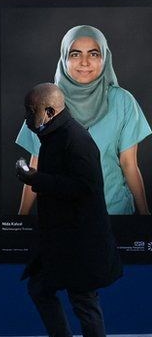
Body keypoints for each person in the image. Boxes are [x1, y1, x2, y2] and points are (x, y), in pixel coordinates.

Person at [16, 83, 122, 337]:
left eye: (30, 112)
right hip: (60, 239)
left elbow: (85, 188)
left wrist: (37, 179)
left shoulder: (75, 139)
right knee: (40, 288)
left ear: (49, 111)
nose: (26, 119)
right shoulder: (53, 136)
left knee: (85, 302)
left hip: (81, 240)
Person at [17, 25, 150, 215]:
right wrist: (21, 218)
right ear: (64, 58)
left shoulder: (122, 101)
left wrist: (145, 217)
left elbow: (129, 163)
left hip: (112, 214)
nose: (85, 62)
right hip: (61, 218)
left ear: (105, 58)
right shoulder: (46, 101)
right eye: (75, 54)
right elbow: (37, 166)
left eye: (94, 54)